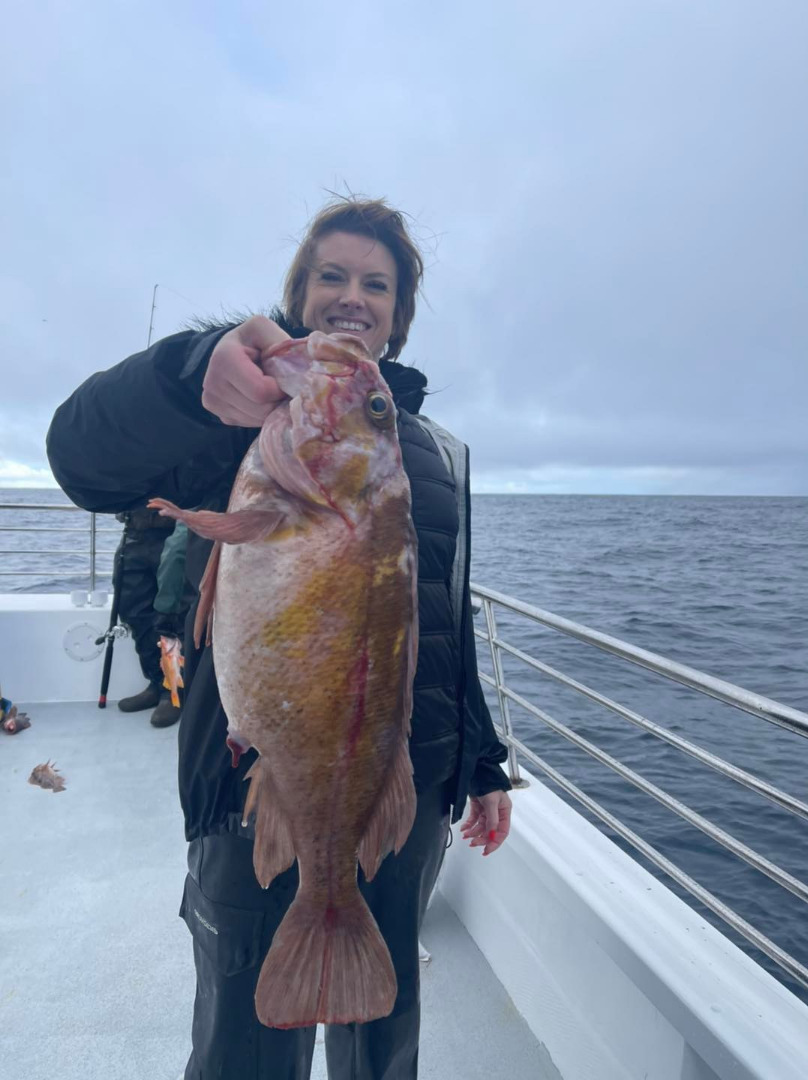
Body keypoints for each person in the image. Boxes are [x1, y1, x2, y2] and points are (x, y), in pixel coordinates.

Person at [46, 196, 513, 1080]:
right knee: (243, 1047)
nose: (353, 296)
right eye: (332, 275)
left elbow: (438, 626)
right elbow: (80, 459)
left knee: (385, 1040)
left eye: (377, 284)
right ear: (298, 295)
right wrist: (192, 371)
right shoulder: (235, 420)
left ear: (398, 315)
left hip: (396, 793)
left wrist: (482, 763)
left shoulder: (440, 455)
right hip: (252, 782)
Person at [112, 508, 187, 727]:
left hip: (176, 532)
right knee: (134, 611)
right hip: (134, 532)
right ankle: (155, 682)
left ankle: (172, 691)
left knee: (169, 617)